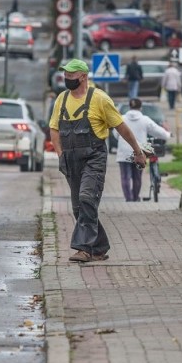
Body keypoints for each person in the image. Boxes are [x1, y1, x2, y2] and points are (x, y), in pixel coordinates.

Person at [49, 59, 147, 263]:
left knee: (87, 198)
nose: (67, 78)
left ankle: (83, 249)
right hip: (70, 160)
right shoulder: (61, 99)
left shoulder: (100, 99)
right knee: (80, 208)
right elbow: (54, 129)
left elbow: (121, 127)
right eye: (65, 74)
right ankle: (100, 247)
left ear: (83, 76)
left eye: (71, 75)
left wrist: (137, 151)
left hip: (94, 158)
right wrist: (60, 155)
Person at [115, 98, 171, 202]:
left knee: (125, 177)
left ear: (129, 107)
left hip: (123, 152)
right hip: (139, 153)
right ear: (140, 108)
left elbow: (116, 134)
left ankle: (128, 198)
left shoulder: (122, 119)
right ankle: (135, 198)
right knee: (137, 177)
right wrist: (168, 135)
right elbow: (157, 131)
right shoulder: (145, 119)